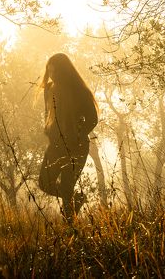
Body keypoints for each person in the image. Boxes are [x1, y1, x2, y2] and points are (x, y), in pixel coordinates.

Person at [38, 52, 98, 220]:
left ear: (63, 71)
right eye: (49, 71)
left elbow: (93, 118)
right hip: (55, 145)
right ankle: (75, 198)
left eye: (54, 71)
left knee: (66, 188)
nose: (51, 75)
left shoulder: (79, 91)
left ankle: (70, 231)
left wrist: (77, 135)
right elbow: (47, 114)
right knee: (44, 183)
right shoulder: (49, 89)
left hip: (76, 146)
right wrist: (49, 133)